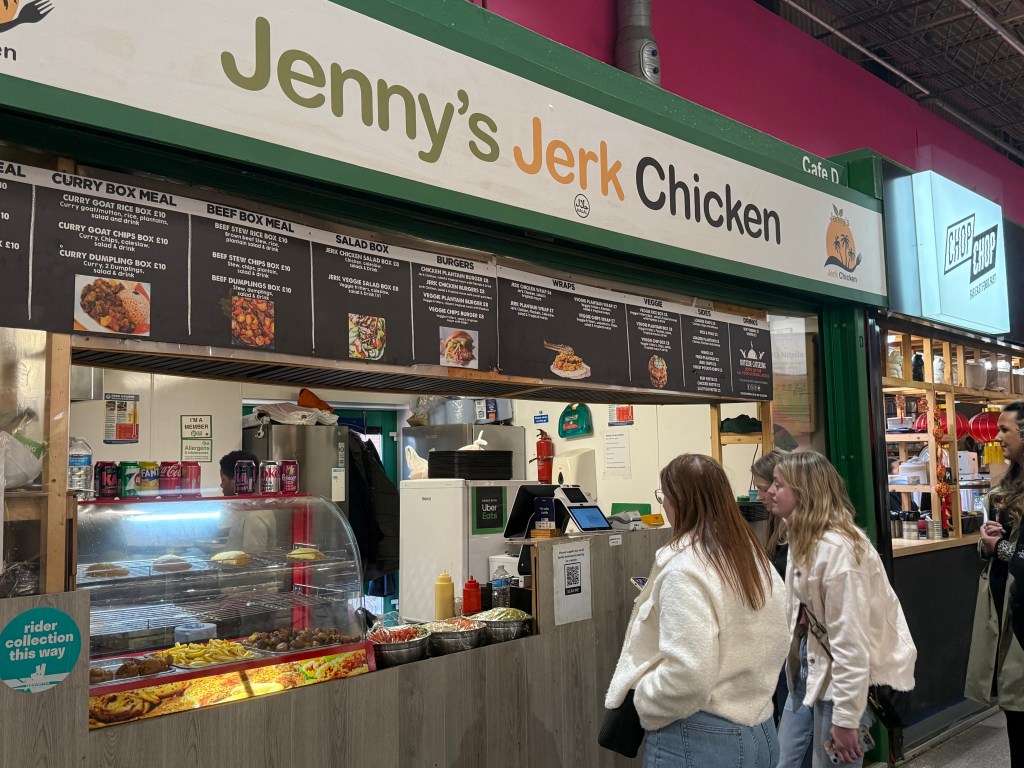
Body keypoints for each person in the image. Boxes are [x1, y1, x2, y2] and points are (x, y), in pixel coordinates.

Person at [605, 454, 789, 768]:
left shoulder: (685, 569)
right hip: (760, 730)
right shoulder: (751, 557)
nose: (664, 505)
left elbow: (688, 675)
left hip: (697, 737)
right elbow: (779, 636)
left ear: (680, 501)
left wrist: (644, 698)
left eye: (664, 497)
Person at [768, 452, 916, 768]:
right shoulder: (801, 536)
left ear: (804, 491)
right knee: (786, 760)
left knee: (833, 763)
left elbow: (851, 642)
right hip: (810, 664)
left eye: (778, 485)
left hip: (842, 677)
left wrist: (847, 718)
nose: (769, 491)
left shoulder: (838, 551)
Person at [965, 401, 1024, 767]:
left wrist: (999, 547)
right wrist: (988, 540)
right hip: (1003, 607)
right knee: (1013, 706)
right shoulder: (1003, 489)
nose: (998, 437)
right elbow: (991, 547)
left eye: (1006, 430)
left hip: (1021, 611)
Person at [752, 449, 806, 735]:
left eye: (769, 487)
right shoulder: (777, 525)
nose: (763, 495)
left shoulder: (805, 535)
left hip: (795, 640)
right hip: (783, 637)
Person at [217, 450, 277, 553]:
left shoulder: (254, 516)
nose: (221, 485)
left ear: (238, 480)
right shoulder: (245, 508)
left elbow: (254, 558)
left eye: (223, 480)